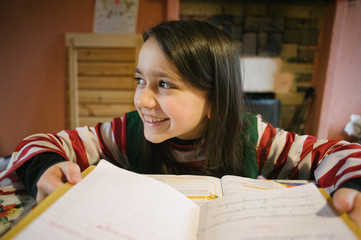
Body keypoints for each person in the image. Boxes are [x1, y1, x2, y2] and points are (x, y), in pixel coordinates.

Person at [1, 20, 361, 227]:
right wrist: (45, 169)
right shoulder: (124, 134)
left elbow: (337, 153)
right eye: (140, 79)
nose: (141, 100)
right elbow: (39, 144)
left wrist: (355, 187)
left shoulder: (255, 138)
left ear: (214, 101)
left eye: (165, 84)